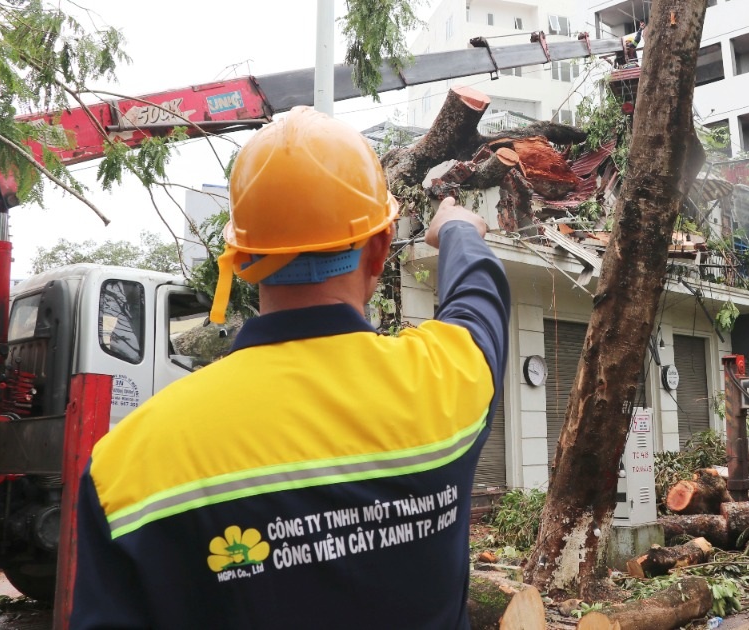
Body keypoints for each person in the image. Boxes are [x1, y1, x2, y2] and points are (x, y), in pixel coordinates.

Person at [70, 107, 510, 629]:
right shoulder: (445, 383)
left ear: (240, 258)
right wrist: (460, 229)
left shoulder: (126, 468)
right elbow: (478, 306)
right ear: (379, 249)